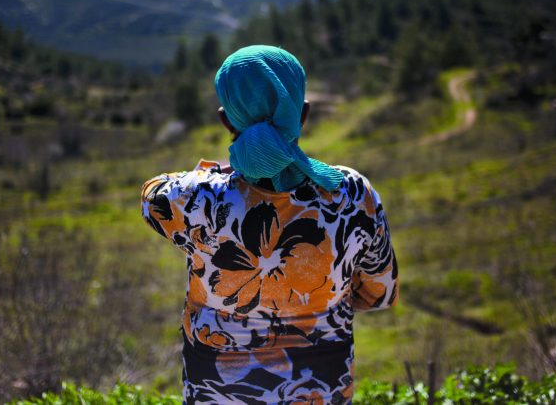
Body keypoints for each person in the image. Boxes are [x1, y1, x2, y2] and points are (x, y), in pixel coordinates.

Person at [141, 45, 398, 404]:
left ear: (226, 120)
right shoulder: (351, 194)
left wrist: (217, 171)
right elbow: (379, 293)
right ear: (303, 114)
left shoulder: (197, 198)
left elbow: (151, 195)